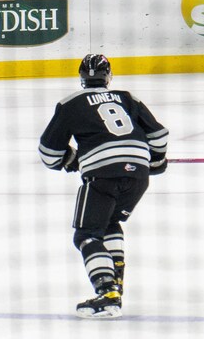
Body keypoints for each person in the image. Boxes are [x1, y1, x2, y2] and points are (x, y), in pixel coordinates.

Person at [38, 54, 168, 319]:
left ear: (81, 77)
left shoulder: (70, 103)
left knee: (86, 235)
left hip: (101, 176)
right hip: (138, 176)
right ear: (109, 77)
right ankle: (115, 284)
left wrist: (71, 159)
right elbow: (159, 135)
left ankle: (107, 292)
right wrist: (156, 161)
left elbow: (48, 154)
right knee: (109, 224)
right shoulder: (128, 98)